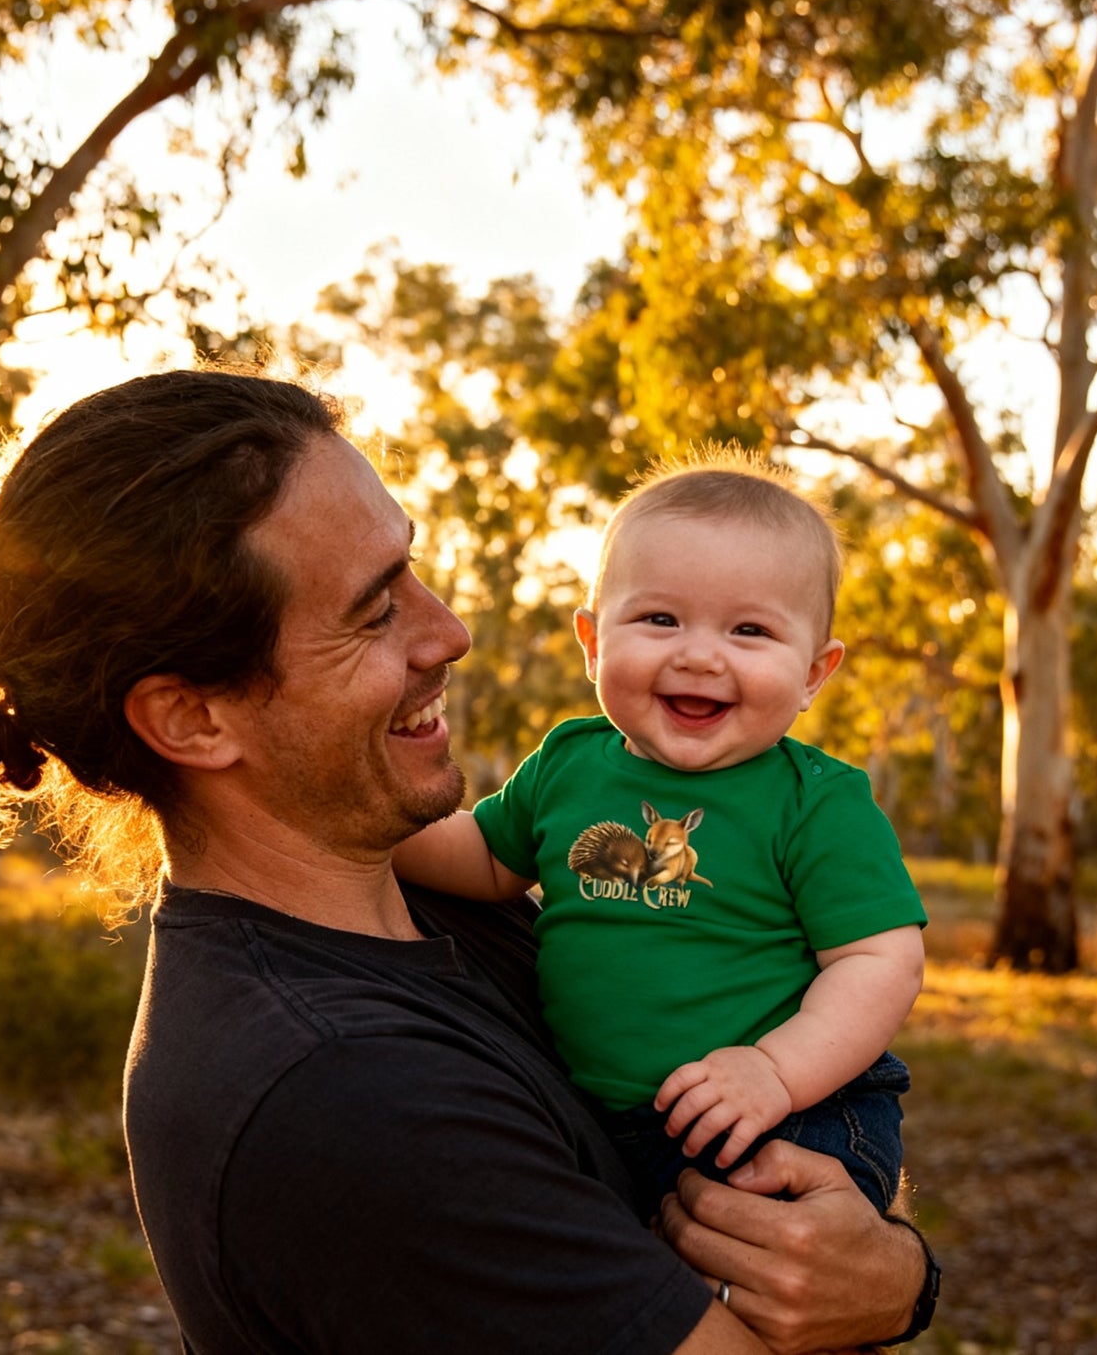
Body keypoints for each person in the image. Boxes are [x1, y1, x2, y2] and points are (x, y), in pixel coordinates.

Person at [0, 371, 938, 1354]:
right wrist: (893, 1283)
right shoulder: (341, 1097)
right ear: (191, 716)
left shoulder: (434, 906)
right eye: (374, 611)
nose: (449, 630)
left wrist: (873, 1258)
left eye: (411, 568)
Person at [394, 451, 926, 1221]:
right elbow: (483, 858)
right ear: (592, 641)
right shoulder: (569, 765)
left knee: (766, 1265)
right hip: (611, 1121)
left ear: (814, 672)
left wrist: (774, 1070)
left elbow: (881, 959)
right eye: (659, 618)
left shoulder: (816, 802)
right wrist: (363, 828)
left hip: (787, 1111)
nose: (699, 653)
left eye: (749, 629)